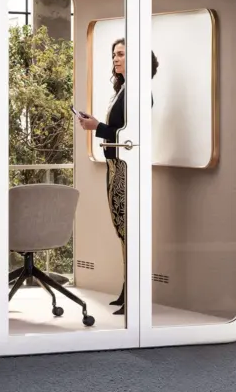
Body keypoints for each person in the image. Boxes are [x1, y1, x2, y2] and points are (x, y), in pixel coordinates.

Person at [77, 40, 158, 316]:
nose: (116, 58)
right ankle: (128, 290)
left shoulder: (138, 92)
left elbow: (131, 136)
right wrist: (98, 125)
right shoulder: (123, 90)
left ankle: (134, 292)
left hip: (126, 168)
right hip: (115, 166)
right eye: (114, 54)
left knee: (128, 230)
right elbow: (118, 129)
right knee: (122, 229)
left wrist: (95, 126)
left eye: (121, 54)